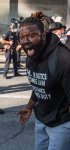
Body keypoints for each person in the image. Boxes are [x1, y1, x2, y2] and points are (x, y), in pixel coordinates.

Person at [18, 17, 70, 150]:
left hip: (61, 124)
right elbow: (39, 83)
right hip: (41, 119)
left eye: (31, 35)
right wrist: (29, 107)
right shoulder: (31, 56)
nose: (25, 41)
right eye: (22, 37)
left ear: (43, 35)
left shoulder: (63, 60)